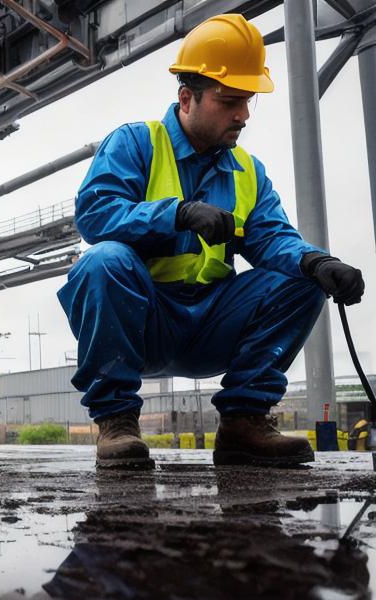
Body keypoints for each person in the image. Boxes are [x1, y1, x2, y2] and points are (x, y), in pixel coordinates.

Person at [59, 14, 364, 469]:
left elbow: (273, 238)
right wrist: (176, 214)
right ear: (187, 98)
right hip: (145, 323)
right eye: (230, 101)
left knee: (299, 278)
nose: (242, 114)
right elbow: (95, 215)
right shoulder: (136, 143)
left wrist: (316, 262)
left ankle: (243, 422)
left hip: (212, 324)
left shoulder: (249, 171)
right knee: (102, 261)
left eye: (247, 103)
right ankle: (117, 421)